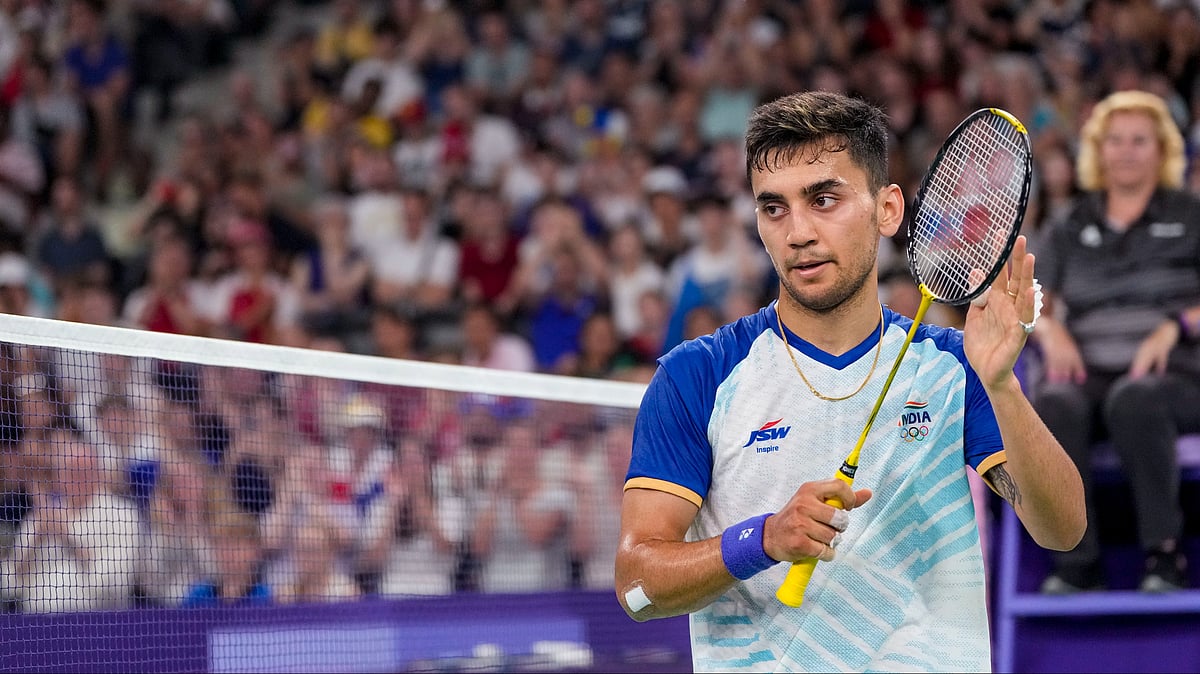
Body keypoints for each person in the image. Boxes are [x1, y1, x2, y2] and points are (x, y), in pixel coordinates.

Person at [615, 91, 1084, 672]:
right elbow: (637, 587)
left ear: (887, 210)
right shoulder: (698, 376)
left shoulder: (951, 366)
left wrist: (1003, 387)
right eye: (774, 208)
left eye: (824, 199)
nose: (798, 232)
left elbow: (1063, 530)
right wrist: (761, 540)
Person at [1029, 90, 1200, 595]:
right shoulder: (1069, 222)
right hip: (1089, 369)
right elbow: (1026, 297)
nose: (1126, 151)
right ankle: (1077, 564)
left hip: (1178, 370)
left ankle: (1164, 557)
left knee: (1137, 399)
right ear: (1098, 150)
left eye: (1140, 141)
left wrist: (1176, 326)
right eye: (1115, 140)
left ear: (1162, 150)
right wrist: (1050, 328)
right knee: (1053, 403)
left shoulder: (1191, 214)